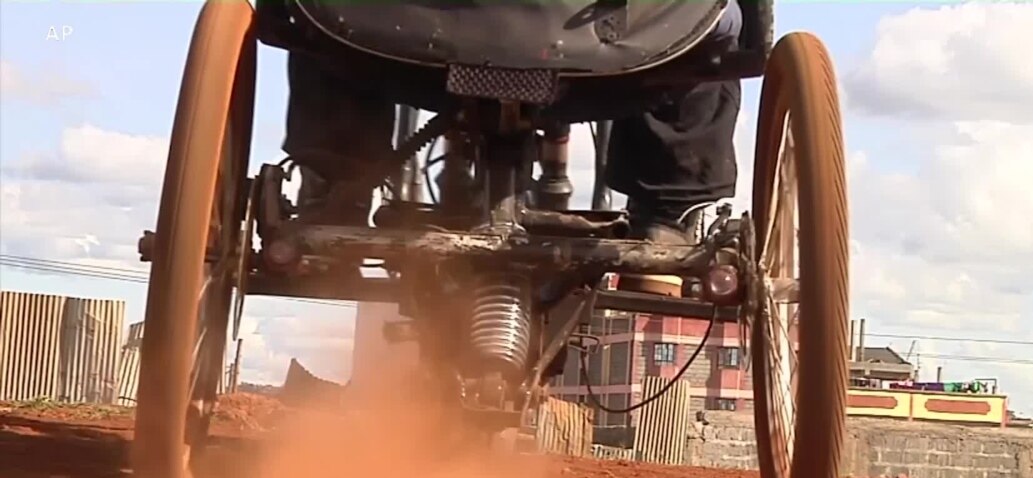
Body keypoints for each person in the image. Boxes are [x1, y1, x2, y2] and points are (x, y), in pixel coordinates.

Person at [282, 1, 743, 295]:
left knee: (322, 24)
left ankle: (334, 190)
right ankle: (666, 218)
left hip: (407, 34)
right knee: (708, 32)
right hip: (609, 49)